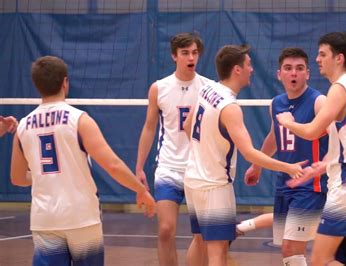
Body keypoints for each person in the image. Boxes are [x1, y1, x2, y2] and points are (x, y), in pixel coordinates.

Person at [10, 56, 155, 266]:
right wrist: (140, 190)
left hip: (45, 218)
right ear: (65, 82)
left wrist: (45, 176)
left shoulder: (23, 127)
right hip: (81, 216)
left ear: (37, 85)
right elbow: (112, 165)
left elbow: (17, 178)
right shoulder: (79, 119)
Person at [183, 45, 305, 266]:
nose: (252, 69)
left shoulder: (206, 88)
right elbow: (249, 153)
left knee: (199, 241)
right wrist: (288, 167)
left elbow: (186, 125)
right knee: (217, 251)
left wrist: (204, 151)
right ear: (237, 70)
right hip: (214, 185)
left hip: (192, 179)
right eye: (248, 65)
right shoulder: (230, 107)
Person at [277, 32, 346, 266]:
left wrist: (288, 122)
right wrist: (321, 168)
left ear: (339, 58)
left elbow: (313, 131)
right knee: (342, 258)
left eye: (323, 54)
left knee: (320, 260)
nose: (317, 59)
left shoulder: (340, 88)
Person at [244, 47, 328, 266]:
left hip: (311, 185)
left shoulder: (319, 102)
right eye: (288, 68)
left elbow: (339, 140)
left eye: (299, 69)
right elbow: (274, 136)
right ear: (279, 74)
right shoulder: (276, 103)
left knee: (292, 246)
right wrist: (257, 165)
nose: (294, 73)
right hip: (285, 183)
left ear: (307, 73)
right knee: (287, 250)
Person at [135, 32, 211, 266]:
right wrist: (139, 167)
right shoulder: (159, 88)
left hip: (198, 170)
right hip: (168, 168)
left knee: (201, 237)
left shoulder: (208, 88)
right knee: (166, 229)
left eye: (195, 53)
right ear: (174, 56)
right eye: (185, 53)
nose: (191, 57)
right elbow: (149, 128)